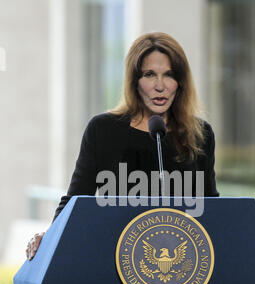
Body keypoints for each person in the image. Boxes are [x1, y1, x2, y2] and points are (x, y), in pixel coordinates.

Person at [26, 31, 219, 260]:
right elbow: (75, 202)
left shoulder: (200, 134)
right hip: (113, 260)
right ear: (134, 81)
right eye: (149, 74)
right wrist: (47, 239)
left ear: (181, 83)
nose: (160, 86)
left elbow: (212, 210)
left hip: (181, 266)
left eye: (169, 75)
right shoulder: (103, 130)